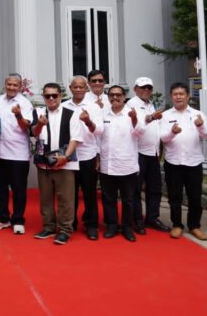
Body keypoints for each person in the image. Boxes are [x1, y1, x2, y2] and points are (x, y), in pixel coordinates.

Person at [31, 82, 82, 245]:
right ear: (44, 97)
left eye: (54, 95)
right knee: (45, 198)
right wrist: (40, 123)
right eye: (48, 96)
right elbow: (34, 133)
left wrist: (65, 157)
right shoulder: (38, 112)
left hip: (64, 163)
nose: (51, 98)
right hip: (44, 163)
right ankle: (48, 227)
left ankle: (65, 230)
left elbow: (75, 138)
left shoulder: (71, 113)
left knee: (65, 198)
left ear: (60, 96)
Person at [159, 82, 207, 241]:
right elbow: (162, 138)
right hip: (173, 162)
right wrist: (172, 132)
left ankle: (194, 225)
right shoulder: (166, 115)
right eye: (175, 94)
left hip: (193, 162)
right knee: (174, 196)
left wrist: (201, 126)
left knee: (195, 196)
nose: (178, 97)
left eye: (182, 94)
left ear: (188, 95)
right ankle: (177, 225)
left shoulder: (197, 114)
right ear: (171, 96)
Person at [0, 73, 34, 235]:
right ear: (5, 84)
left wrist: (18, 114)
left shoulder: (25, 103)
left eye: (15, 85)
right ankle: (1, 218)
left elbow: (26, 127)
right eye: (9, 84)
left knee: (18, 189)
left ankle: (18, 220)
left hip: (18, 154)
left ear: (20, 86)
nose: (12, 88)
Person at [97, 85, 142, 242]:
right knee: (108, 198)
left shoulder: (132, 113)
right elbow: (97, 136)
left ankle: (127, 227)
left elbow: (140, 132)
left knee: (128, 199)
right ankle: (112, 225)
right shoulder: (103, 113)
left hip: (127, 164)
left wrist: (135, 119)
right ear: (108, 97)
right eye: (112, 95)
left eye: (118, 95)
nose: (115, 97)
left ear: (124, 97)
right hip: (107, 164)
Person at [62, 75, 103, 240]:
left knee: (89, 193)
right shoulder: (64, 105)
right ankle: (69, 223)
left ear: (86, 88)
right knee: (68, 193)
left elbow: (99, 131)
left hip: (87, 155)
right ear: (70, 88)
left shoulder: (94, 107)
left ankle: (91, 224)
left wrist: (88, 122)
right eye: (75, 87)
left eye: (81, 87)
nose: (78, 89)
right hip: (69, 156)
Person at [126, 77, 169, 232]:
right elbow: (137, 125)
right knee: (136, 189)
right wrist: (151, 118)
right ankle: (136, 220)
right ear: (135, 89)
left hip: (153, 153)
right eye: (143, 87)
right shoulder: (131, 105)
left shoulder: (150, 104)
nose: (146, 90)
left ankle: (152, 217)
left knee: (154, 188)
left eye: (149, 88)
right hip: (138, 153)